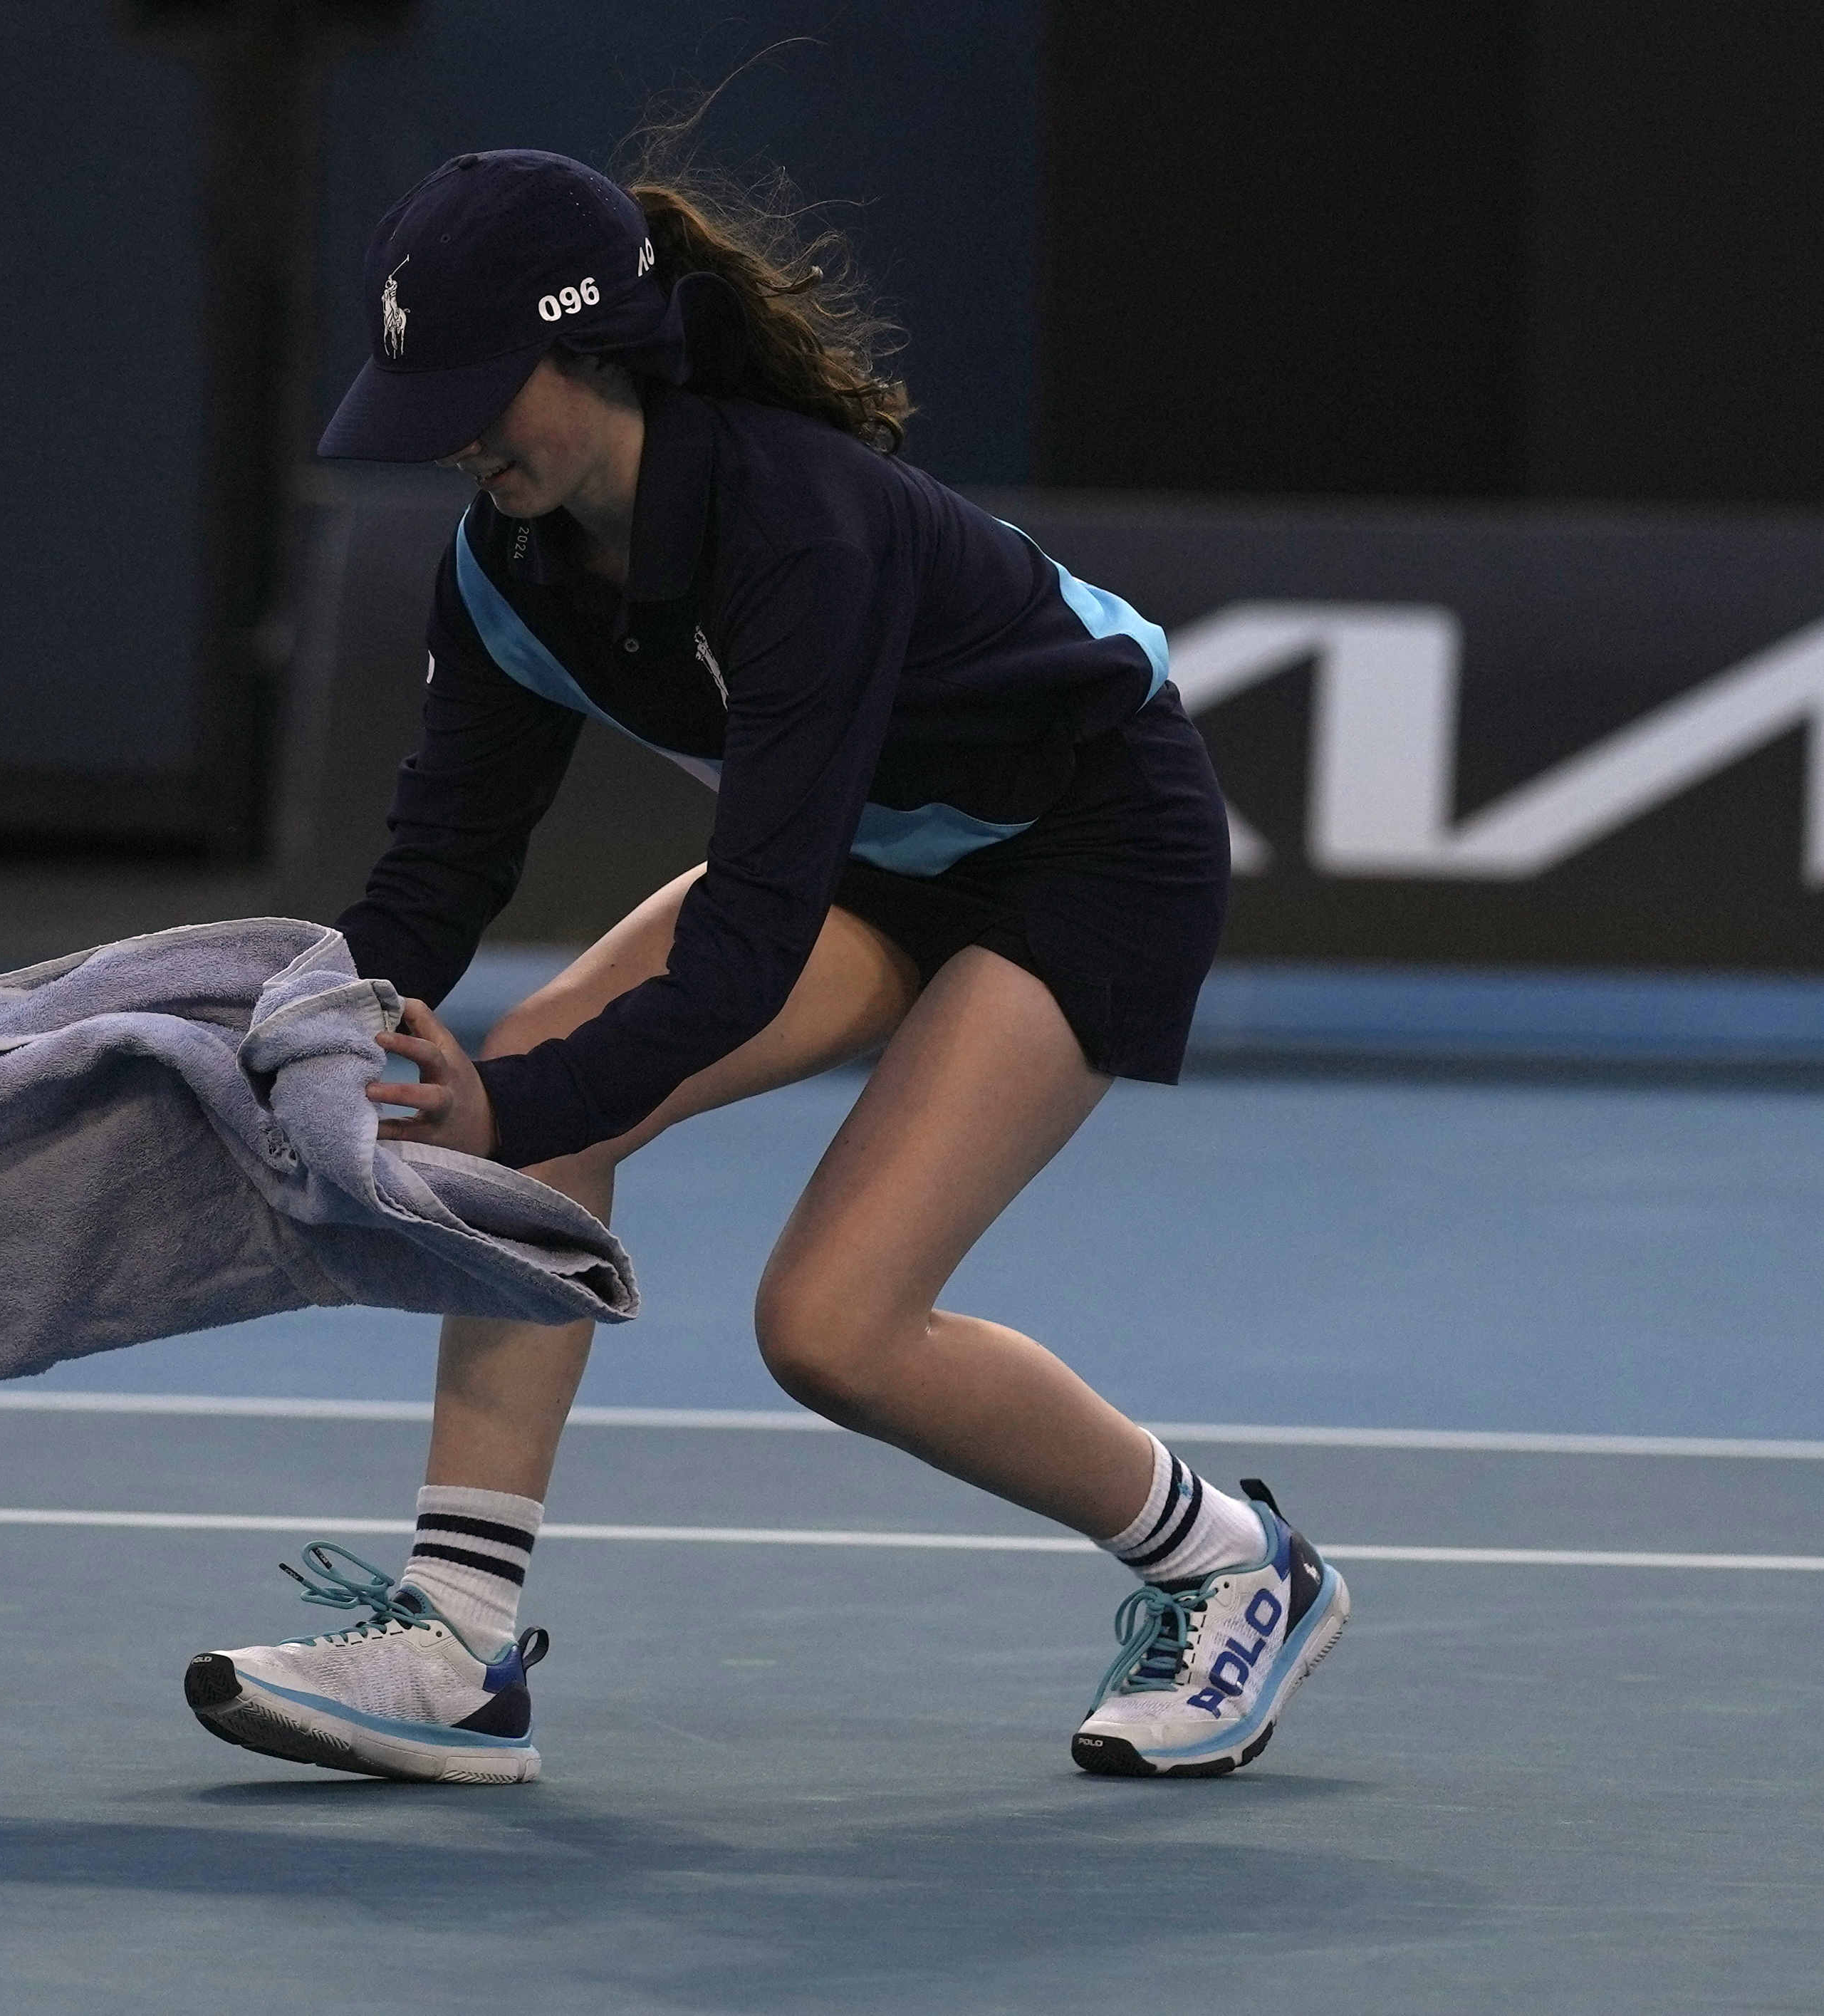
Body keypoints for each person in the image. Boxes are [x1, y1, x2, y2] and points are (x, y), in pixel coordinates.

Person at [182, 148, 1349, 1784]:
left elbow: (743, 947)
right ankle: (455, 1644)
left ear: (586, 351)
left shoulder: (795, 527)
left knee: (830, 1328)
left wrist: (496, 1110)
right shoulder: (507, 564)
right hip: (876, 845)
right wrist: (277, 1028)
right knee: (543, 1112)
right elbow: (440, 869)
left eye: (477, 388)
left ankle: (1232, 1562)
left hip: (1090, 846)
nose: (454, 432)